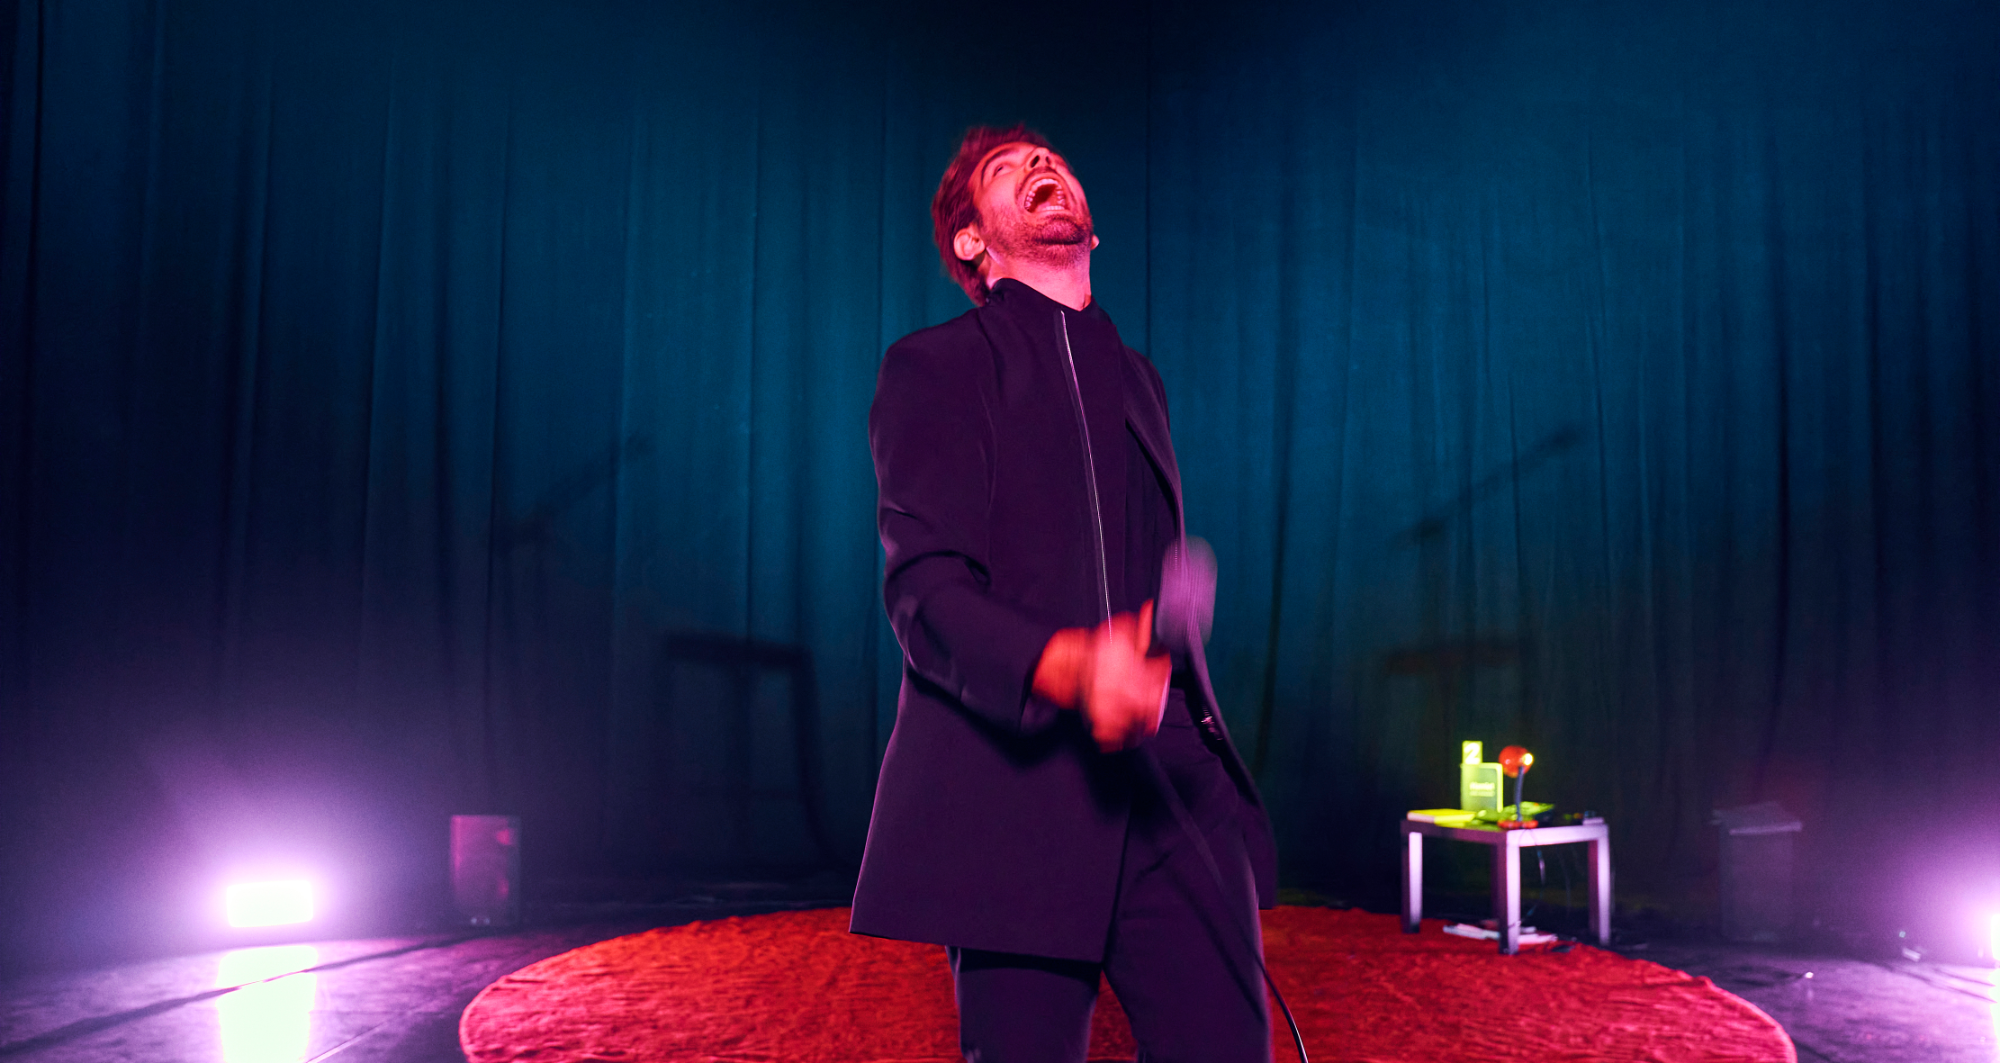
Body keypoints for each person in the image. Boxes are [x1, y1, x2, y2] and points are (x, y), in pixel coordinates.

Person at [851, 123, 1278, 1062]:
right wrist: (1069, 666)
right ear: (971, 239)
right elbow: (923, 591)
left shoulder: (1140, 379)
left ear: (1092, 226)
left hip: (1169, 784)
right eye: (1007, 167)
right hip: (1018, 787)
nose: (1041, 163)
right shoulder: (934, 365)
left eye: (1050, 158)